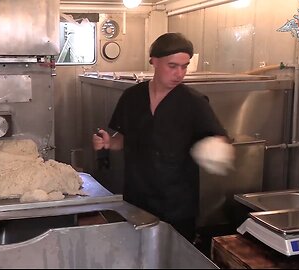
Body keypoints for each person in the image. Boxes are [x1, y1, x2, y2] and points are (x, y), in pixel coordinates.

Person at [92, 32, 234, 243]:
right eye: (173, 65)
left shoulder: (194, 102)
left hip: (177, 203)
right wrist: (108, 143)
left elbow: (220, 139)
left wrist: (216, 149)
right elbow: (122, 139)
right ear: (154, 61)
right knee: (138, 254)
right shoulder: (132, 98)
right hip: (137, 198)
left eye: (184, 66)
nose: (179, 73)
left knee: (173, 257)